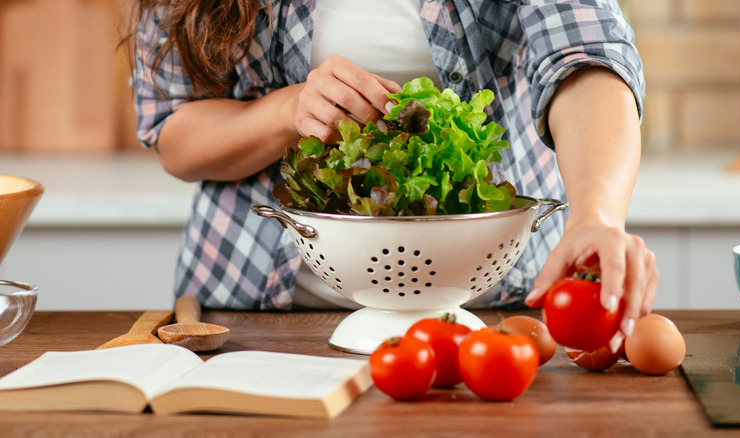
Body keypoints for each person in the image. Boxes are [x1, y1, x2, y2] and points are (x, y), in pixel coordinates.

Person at [127, 0, 657, 339]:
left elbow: (587, 57)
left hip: (492, 313)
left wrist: (596, 216)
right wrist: (288, 111)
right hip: (257, 314)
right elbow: (172, 131)